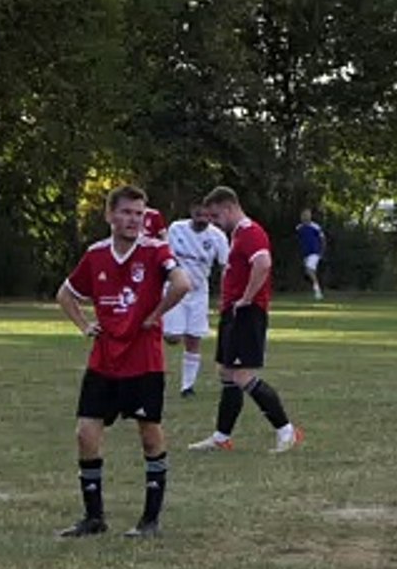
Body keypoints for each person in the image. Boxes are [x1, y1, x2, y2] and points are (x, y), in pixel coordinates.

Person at [56, 184, 192, 539]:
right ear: (109, 215)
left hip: (143, 360)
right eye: (127, 212)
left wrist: (156, 314)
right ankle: (94, 518)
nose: (134, 220)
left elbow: (182, 283)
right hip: (104, 360)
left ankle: (150, 521)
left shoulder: (155, 251)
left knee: (149, 436)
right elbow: (65, 293)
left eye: (139, 213)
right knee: (86, 434)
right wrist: (86, 325)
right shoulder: (96, 254)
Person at [188, 186, 302, 454]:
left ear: (228, 208)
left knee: (241, 375)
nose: (214, 223)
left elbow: (262, 263)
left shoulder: (251, 232)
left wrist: (247, 298)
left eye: (216, 216)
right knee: (226, 372)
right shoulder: (238, 234)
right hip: (234, 312)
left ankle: (286, 431)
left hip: (247, 313)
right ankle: (221, 437)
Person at [163, 201, 230, 397]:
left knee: (194, 339)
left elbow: (226, 267)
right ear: (192, 212)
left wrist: (225, 295)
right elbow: (163, 256)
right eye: (198, 215)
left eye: (206, 216)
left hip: (199, 291)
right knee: (172, 337)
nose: (202, 219)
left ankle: (187, 387)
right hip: (175, 289)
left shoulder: (217, 236)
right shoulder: (176, 228)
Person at [297, 208, 326, 300]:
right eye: (304, 215)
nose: (306, 216)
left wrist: (321, 252)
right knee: (309, 271)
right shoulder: (299, 228)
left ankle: (318, 291)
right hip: (306, 253)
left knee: (309, 270)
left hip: (315, 252)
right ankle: (317, 289)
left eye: (308, 214)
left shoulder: (315, 227)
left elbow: (322, 239)